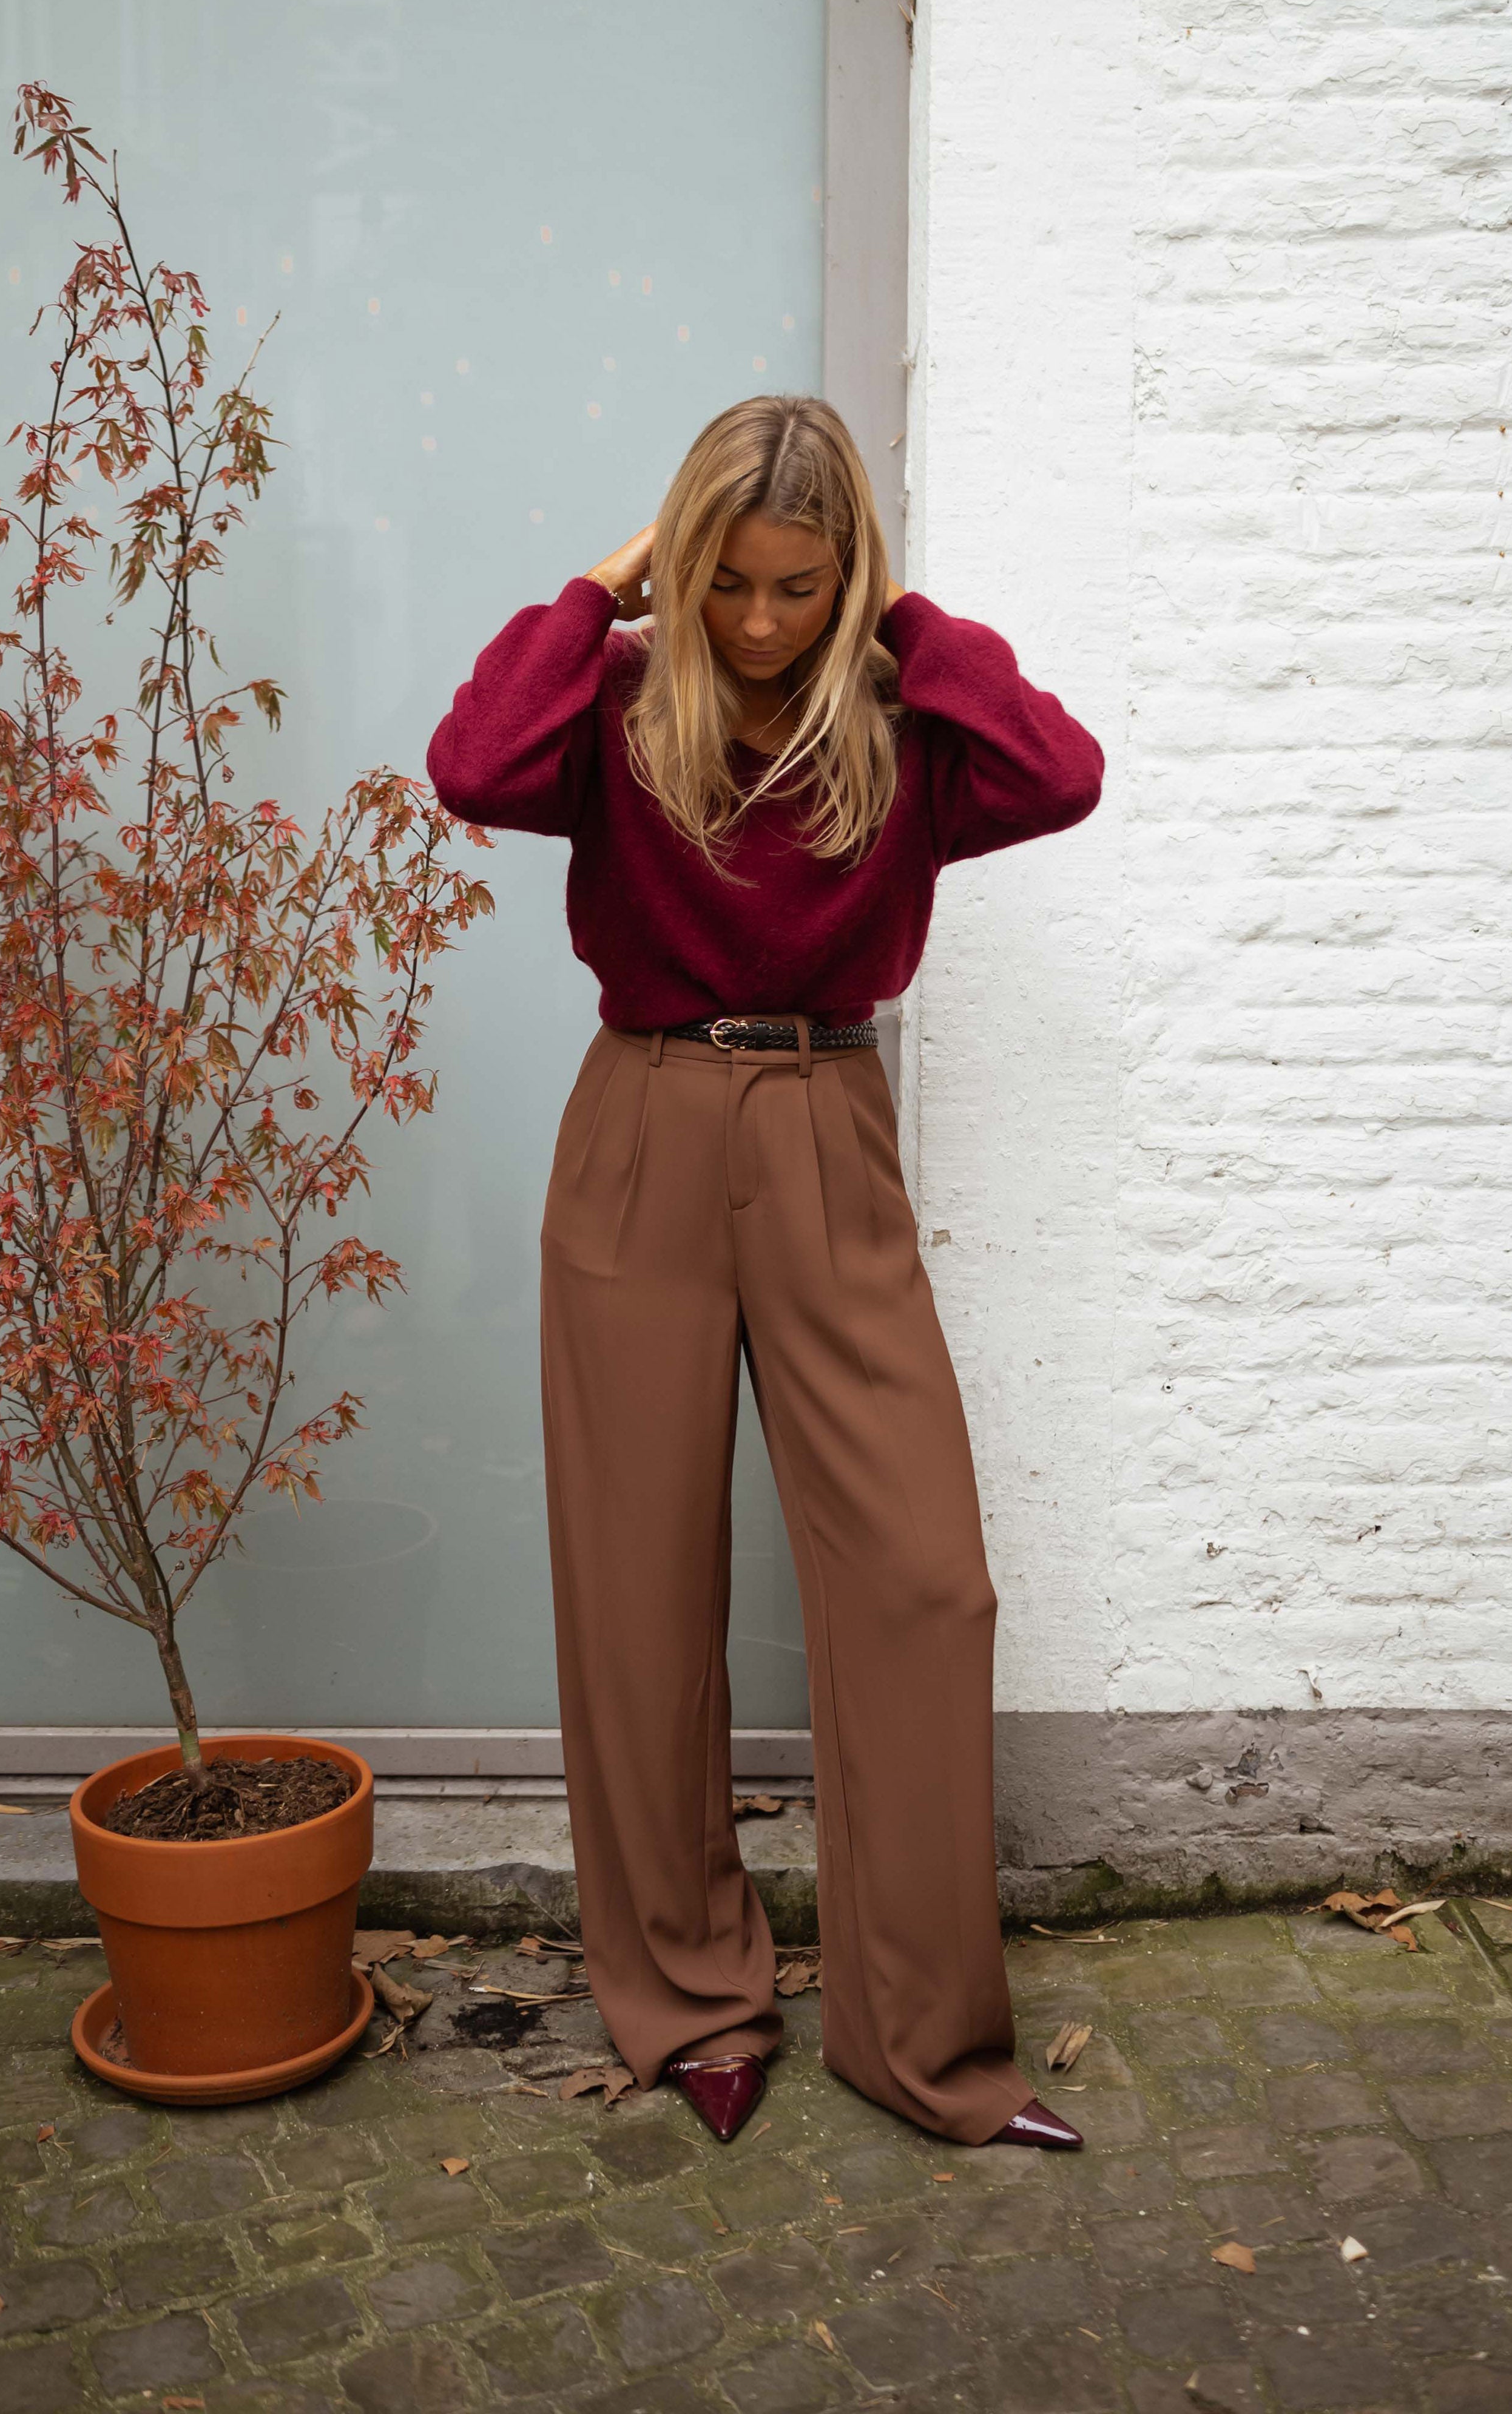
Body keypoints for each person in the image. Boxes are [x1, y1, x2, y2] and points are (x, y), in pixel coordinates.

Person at [427, 394, 1104, 2149]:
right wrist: (605, 586)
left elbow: (1060, 772)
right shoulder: (613, 699)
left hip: (826, 1123)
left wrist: (896, 617)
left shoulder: (895, 720)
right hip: (643, 1120)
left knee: (920, 1580)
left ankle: (923, 2044)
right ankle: (689, 1999)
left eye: (795, 587)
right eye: (721, 582)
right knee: (639, 1592)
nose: (751, 623)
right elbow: (471, 766)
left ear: (844, 579)